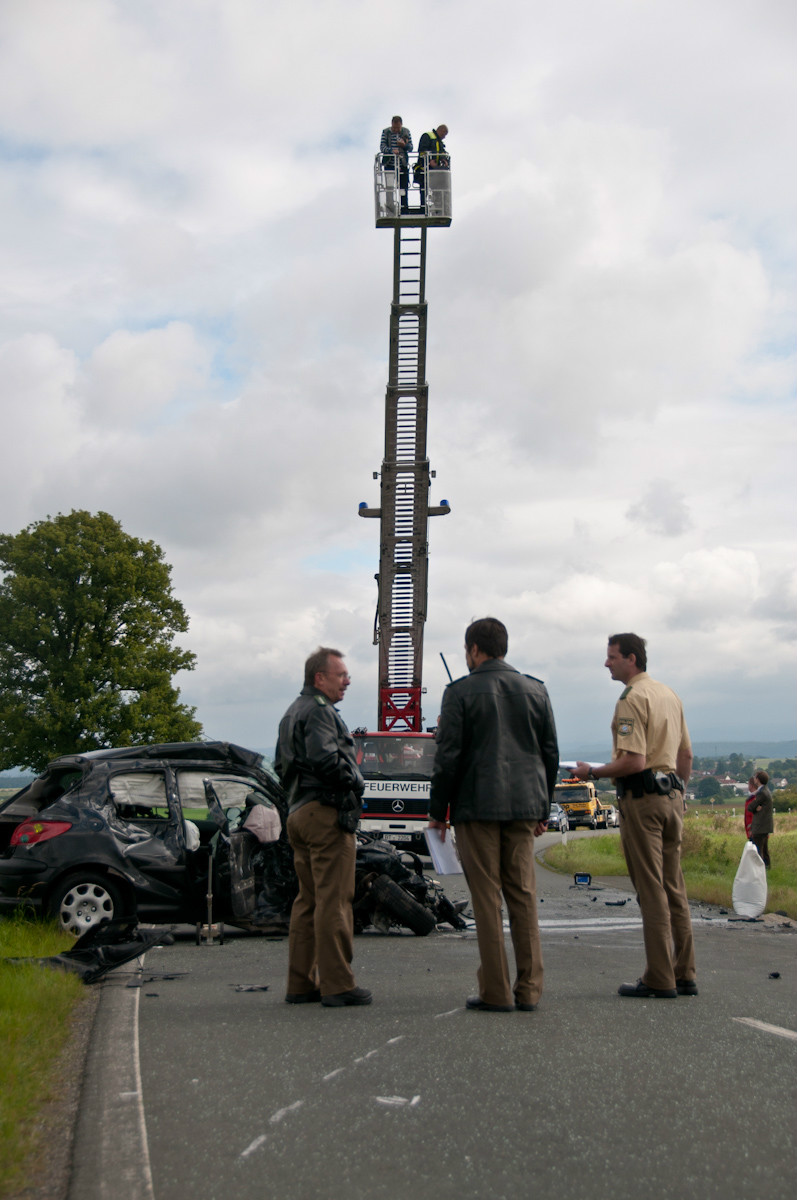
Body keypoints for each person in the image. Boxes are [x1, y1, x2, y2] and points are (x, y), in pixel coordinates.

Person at [428, 617, 558, 1012]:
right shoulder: (536, 689)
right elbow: (549, 753)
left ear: (473, 649)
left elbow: (448, 757)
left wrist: (438, 812)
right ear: (503, 647)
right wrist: (542, 808)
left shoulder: (458, 692)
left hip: (476, 807)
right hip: (524, 808)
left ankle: (495, 992)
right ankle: (529, 990)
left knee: (487, 900)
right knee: (523, 896)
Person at [571, 633, 697, 999]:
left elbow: (634, 761)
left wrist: (592, 772)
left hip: (643, 802)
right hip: (672, 796)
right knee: (674, 886)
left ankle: (659, 976)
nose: (606, 663)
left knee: (650, 888)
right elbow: (686, 755)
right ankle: (685, 971)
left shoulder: (631, 699)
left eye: (612, 657)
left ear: (631, 659)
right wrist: (680, 794)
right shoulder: (669, 695)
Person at [275, 647, 372, 1007]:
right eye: (341, 674)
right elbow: (324, 758)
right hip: (325, 814)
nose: (347, 681)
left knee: (308, 901)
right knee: (334, 900)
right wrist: (356, 780)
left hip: (299, 812)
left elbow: (281, 765)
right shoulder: (319, 711)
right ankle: (338, 984)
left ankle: (301, 983)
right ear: (320, 678)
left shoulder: (292, 712)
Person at [380, 115, 413, 214]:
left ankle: (404, 208)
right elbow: (382, 147)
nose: (396, 130)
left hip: (402, 164)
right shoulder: (386, 132)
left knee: (403, 187)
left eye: (398, 128)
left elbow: (411, 147)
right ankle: (390, 208)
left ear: (401, 125)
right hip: (389, 164)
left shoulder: (406, 132)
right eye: (394, 128)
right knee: (389, 188)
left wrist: (404, 145)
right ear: (391, 124)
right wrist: (391, 150)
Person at [414, 124, 449, 213]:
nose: (444, 137)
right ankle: (423, 208)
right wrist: (430, 161)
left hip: (435, 170)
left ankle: (437, 208)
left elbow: (441, 152)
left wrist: (444, 159)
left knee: (436, 190)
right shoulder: (427, 136)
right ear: (441, 131)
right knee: (423, 189)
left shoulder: (439, 142)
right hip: (424, 168)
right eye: (444, 134)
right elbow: (422, 150)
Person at [748, 769, 774, 868]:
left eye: (755, 777)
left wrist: (755, 808)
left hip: (760, 826)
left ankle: (759, 870)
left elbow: (750, 807)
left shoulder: (761, 793)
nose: (754, 779)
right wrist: (756, 808)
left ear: (758, 780)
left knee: (758, 851)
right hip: (765, 826)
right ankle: (767, 867)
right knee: (765, 850)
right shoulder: (766, 791)